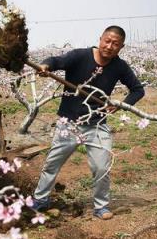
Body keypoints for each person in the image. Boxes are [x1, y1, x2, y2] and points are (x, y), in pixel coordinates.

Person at [31, 26, 145, 220]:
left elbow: (137, 90)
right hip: (69, 124)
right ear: (100, 39)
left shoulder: (120, 66)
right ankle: (40, 200)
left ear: (121, 47)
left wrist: (121, 105)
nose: (109, 46)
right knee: (52, 164)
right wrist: (45, 66)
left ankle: (101, 207)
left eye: (115, 44)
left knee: (102, 167)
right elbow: (56, 61)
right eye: (107, 41)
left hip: (97, 124)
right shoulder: (80, 56)